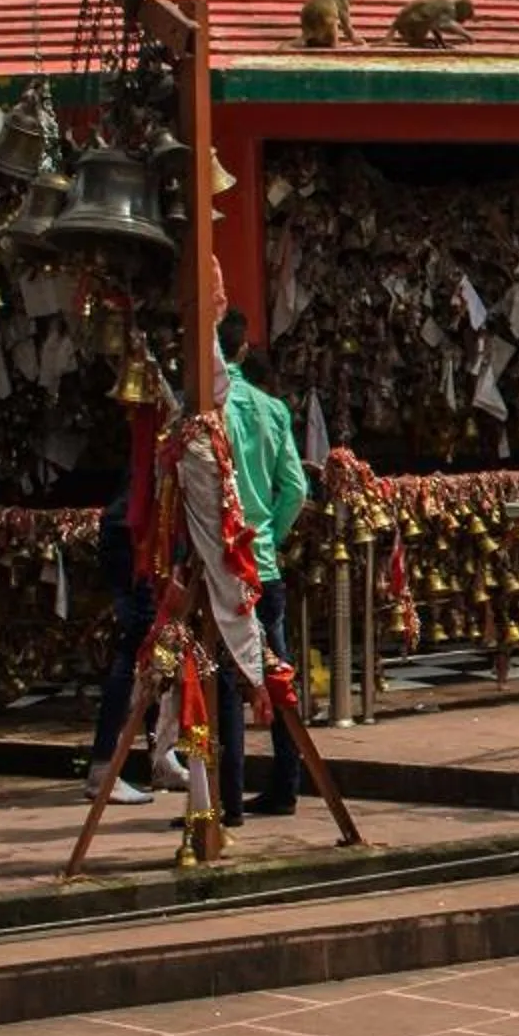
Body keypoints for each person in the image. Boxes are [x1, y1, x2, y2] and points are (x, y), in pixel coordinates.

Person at [214, 311, 308, 820]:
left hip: (221, 561)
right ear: (244, 351)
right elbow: (295, 489)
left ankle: (226, 801)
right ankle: (286, 786)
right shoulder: (271, 409)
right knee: (277, 673)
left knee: (224, 677)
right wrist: (270, 532)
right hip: (263, 562)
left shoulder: (207, 408)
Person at [85, 489, 156, 806]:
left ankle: (161, 755)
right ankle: (104, 769)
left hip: (139, 528)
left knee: (156, 646)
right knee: (136, 647)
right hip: (136, 534)